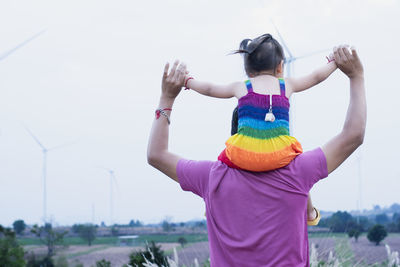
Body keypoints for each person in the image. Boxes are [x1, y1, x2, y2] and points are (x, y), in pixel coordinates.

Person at [147, 45, 366, 266]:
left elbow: (156, 155)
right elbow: (353, 135)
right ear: (280, 67)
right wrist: (356, 76)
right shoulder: (299, 172)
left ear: (237, 135)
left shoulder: (211, 178)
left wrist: (167, 97)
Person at [184, 34, 335, 225]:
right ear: (280, 66)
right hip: (280, 154)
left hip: (244, 154)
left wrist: (188, 81)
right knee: (300, 170)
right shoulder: (287, 85)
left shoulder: (242, 88)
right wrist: (333, 63)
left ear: (248, 70)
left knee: (219, 169)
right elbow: (316, 77)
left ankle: (212, 207)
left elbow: (210, 89)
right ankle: (309, 214)